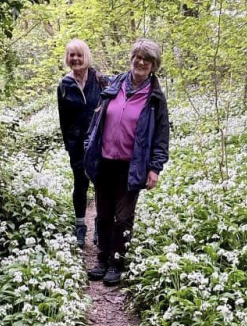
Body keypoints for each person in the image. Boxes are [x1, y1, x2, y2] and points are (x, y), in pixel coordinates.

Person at [83, 38, 169, 286]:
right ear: (132, 58)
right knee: (104, 213)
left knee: (123, 217)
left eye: (147, 59)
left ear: (154, 65)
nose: (141, 62)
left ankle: (117, 262)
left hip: (132, 164)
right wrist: (89, 145)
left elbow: (162, 134)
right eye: (138, 57)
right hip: (105, 160)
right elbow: (97, 118)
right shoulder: (114, 84)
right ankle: (101, 259)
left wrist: (155, 167)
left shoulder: (155, 97)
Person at [57, 39, 108, 248]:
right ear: (67, 58)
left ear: (86, 56)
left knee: (100, 186)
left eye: (79, 54)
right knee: (80, 185)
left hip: (99, 143)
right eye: (72, 55)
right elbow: (63, 120)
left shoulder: (100, 80)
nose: (76, 59)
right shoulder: (64, 85)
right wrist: (70, 144)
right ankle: (80, 227)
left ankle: (99, 226)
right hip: (77, 145)